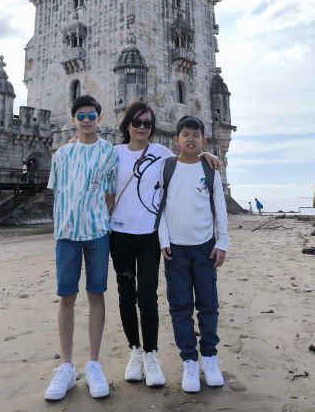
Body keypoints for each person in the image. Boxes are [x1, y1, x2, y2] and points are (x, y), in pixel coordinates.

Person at [110, 101, 219, 388]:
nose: (142, 127)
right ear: (127, 125)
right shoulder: (113, 153)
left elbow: (188, 157)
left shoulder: (161, 153)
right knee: (125, 294)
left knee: (147, 296)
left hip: (150, 236)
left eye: (147, 123)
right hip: (119, 235)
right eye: (137, 122)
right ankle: (135, 351)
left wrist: (206, 152)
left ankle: (152, 355)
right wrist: (73, 140)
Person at [44, 95, 118, 401]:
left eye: (91, 115)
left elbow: (111, 195)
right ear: (73, 120)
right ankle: (65, 367)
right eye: (81, 115)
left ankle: (94, 364)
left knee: (96, 293)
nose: (86, 120)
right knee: (66, 297)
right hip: (66, 235)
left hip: (98, 233)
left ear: (99, 119)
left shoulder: (110, 153)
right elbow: (56, 192)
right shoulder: (61, 154)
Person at [158, 115, 229, 393]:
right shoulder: (167, 167)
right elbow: (160, 207)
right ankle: (189, 360)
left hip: (204, 247)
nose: (190, 139)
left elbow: (219, 208)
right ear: (177, 139)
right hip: (175, 250)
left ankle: (209, 357)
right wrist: (163, 239)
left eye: (195, 135)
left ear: (203, 140)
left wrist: (222, 242)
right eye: (185, 134)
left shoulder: (210, 168)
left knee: (208, 305)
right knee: (180, 307)